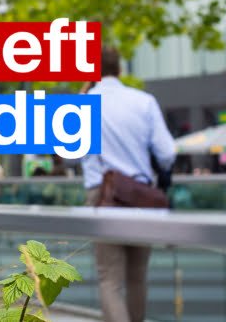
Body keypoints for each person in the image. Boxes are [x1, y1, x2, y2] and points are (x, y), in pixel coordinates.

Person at [83, 48, 175, 322]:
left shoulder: (85, 103)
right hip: (141, 195)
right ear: (120, 70)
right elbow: (167, 152)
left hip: (103, 196)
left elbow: (66, 152)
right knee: (137, 278)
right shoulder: (144, 101)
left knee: (109, 280)